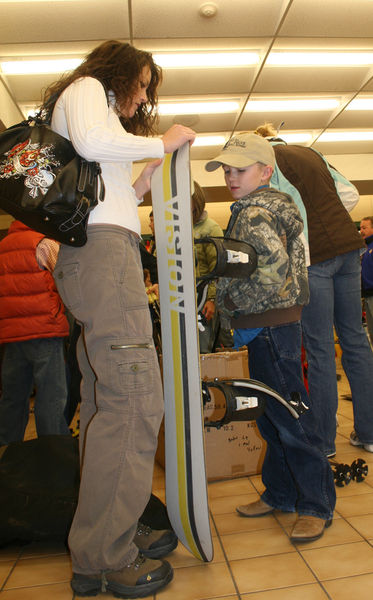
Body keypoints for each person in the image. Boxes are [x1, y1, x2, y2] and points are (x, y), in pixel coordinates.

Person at [44, 40, 195, 598]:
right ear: (122, 72)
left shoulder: (98, 116)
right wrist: (163, 138)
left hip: (104, 249)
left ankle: (106, 531)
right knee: (135, 399)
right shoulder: (86, 93)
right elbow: (88, 140)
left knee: (107, 400)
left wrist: (144, 182)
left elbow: (103, 195)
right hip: (103, 258)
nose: (143, 97)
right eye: (143, 83)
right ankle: (104, 554)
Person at [205, 132, 336, 543]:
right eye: (226, 170)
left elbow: (271, 270)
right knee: (271, 416)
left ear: (265, 172)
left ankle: (315, 505)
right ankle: (281, 493)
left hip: (270, 324)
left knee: (291, 418)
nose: (230, 176)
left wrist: (229, 300)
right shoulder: (260, 207)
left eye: (239, 170)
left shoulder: (256, 211)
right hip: (268, 324)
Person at [254, 123, 373, 457]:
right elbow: (350, 194)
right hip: (349, 250)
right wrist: (329, 223)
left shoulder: (269, 163)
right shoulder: (311, 152)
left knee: (320, 350)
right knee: (355, 341)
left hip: (315, 260)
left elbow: (290, 210)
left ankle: (323, 441)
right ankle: (369, 433)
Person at [0, 220, 70, 445]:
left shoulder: (3, 246)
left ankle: (6, 456)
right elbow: (66, 281)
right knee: (51, 398)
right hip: (45, 332)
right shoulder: (44, 244)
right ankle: (53, 454)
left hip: (11, 335)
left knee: (12, 399)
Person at [192, 180, 224, 353]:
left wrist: (211, 299)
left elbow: (217, 268)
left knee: (203, 349)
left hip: (203, 298)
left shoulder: (211, 228)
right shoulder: (175, 227)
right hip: (181, 298)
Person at [360, 216, 373, 347]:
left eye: (364, 228)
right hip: (367, 296)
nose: (361, 231)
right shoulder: (365, 249)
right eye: (361, 228)